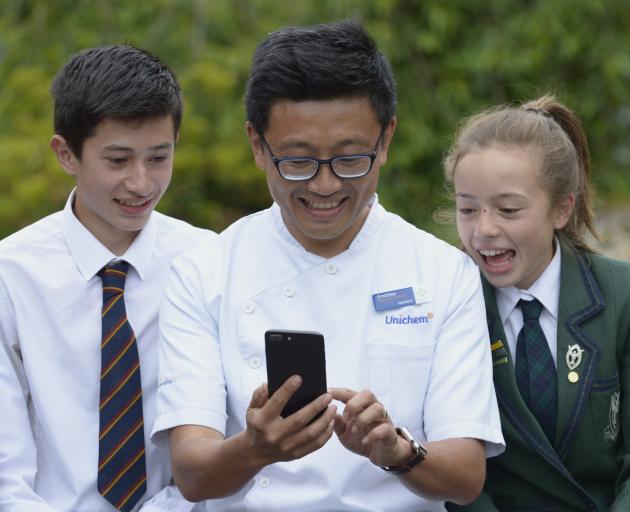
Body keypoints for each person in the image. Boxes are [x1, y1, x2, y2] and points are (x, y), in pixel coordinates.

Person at [152, 20, 504, 511]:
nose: (324, 186)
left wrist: (398, 452)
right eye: (296, 161)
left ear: (385, 140)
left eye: (349, 158)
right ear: (257, 145)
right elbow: (192, 471)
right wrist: (254, 449)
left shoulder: (443, 273)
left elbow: (466, 475)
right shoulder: (205, 272)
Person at [0, 45, 214, 511]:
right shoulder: (10, 277)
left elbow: (224, 436)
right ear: (66, 154)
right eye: (118, 161)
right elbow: (4, 473)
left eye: (159, 158)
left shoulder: (206, 262)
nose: (142, 183)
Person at [443, 95, 629, 511]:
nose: (483, 230)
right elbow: (453, 474)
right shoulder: (445, 302)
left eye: (508, 209)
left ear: (562, 209)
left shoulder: (622, 296)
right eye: (467, 209)